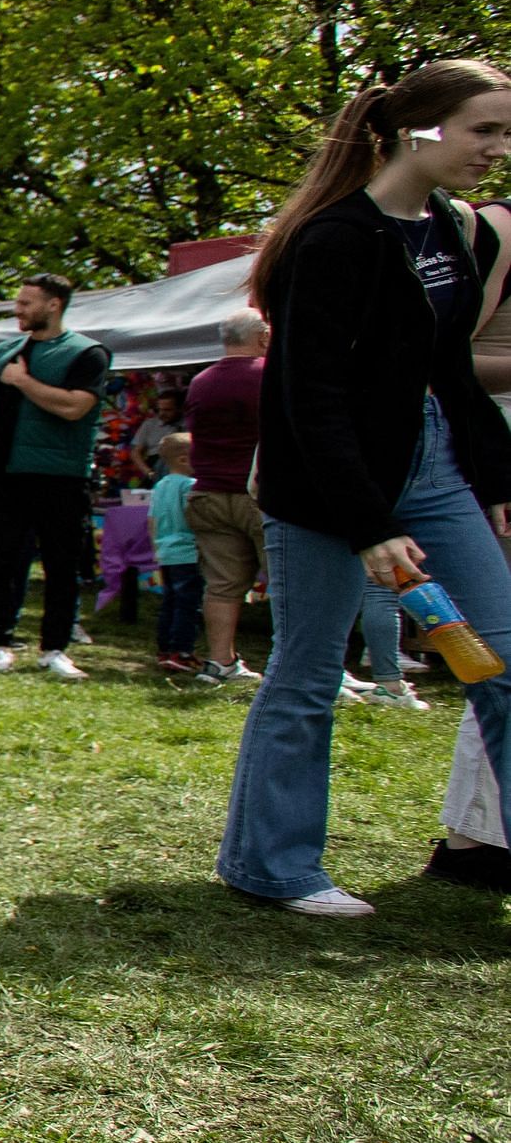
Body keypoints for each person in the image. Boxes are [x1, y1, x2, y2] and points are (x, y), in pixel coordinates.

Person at [218, 58, 511, 919]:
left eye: (506, 133)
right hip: (329, 484)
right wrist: (368, 522)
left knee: (501, 662)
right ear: (421, 131)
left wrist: (496, 478)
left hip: (434, 465)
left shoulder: (450, 230)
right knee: (307, 676)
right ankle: (272, 867)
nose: (498, 150)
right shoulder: (336, 238)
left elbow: (448, 367)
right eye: (484, 129)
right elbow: (310, 393)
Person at [0, 274, 110, 678]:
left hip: (59, 476)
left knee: (61, 564)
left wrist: (24, 382)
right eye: (18, 302)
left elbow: (74, 408)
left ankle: (55, 648)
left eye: (27, 303)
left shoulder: (88, 354)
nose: (18, 310)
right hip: (1, 473)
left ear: (54, 305)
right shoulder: (4, 351)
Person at [182, 312, 271, 684]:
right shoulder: (270, 374)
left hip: (208, 492)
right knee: (289, 584)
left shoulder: (201, 381)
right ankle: (301, 667)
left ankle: (220, 662)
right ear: (264, 338)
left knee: (221, 586)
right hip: (259, 494)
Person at [148, 433, 203, 671]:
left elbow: (151, 520)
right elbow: (193, 517)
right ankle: (182, 651)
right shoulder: (190, 486)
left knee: (169, 602)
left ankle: (165, 649)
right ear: (183, 459)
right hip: (188, 553)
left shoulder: (160, 486)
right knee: (188, 604)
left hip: (166, 552)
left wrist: (156, 547)